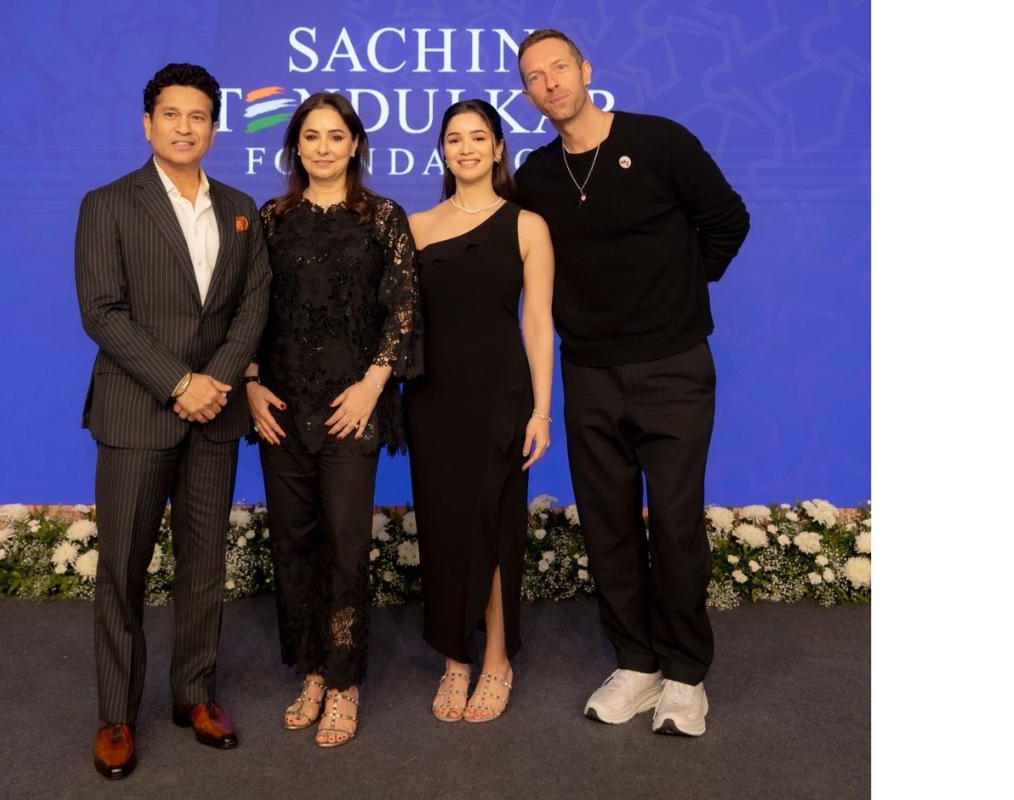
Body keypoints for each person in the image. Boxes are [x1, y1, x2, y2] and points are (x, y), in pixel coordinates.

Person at [515, 30, 751, 737]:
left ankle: (684, 676)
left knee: (676, 527)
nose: (551, 82)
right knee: (609, 525)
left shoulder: (659, 142)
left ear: (585, 71)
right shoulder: (535, 176)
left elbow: (727, 221)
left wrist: (678, 292)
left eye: (560, 67)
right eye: (535, 77)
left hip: (673, 367)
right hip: (588, 371)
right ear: (527, 95)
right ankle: (637, 664)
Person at [74, 62, 270, 778]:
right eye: (172, 115)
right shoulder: (108, 203)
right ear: (147, 122)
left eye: (199, 117)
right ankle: (117, 714)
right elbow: (102, 311)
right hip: (136, 413)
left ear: (214, 127)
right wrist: (178, 381)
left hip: (214, 417)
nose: (186, 127)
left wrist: (214, 384)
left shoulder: (242, 207)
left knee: (203, 565)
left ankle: (194, 694)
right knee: (122, 570)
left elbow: (253, 306)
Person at [244, 92, 422, 748]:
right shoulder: (272, 218)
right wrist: (252, 385)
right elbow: (249, 312)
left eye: (335, 135)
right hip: (281, 409)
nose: (322, 146)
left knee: (346, 546)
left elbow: (403, 304)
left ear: (355, 145)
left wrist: (372, 386)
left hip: (352, 410)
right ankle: (313, 669)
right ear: (296, 147)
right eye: (311, 136)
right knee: (294, 543)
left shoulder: (383, 217)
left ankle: (345, 683)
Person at [405, 100, 555, 724]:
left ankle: (496, 658)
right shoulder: (414, 226)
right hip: (433, 398)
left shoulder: (527, 225)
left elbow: (538, 321)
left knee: (494, 526)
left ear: (498, 149)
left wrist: (542, 410)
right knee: (443, 528)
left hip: (502, 395)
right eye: (453, 138)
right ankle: (455, 659)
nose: (465, 147)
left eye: (478, 137)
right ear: (442, 150)